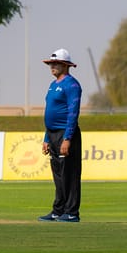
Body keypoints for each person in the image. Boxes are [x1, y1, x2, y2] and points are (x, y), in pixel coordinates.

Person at [38, 48, 82, 223]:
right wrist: (47, 138)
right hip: (53, 135)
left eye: (55, 64)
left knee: (69, 174)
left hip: (66, 135)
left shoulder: (72, 85)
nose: (52, 66)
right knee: (58, 175)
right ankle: (58, 210)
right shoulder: (52, 85)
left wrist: (67, 138)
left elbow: (73, 113)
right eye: (51, 64)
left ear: (65, 65)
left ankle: (71, 212)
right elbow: (50, 114)